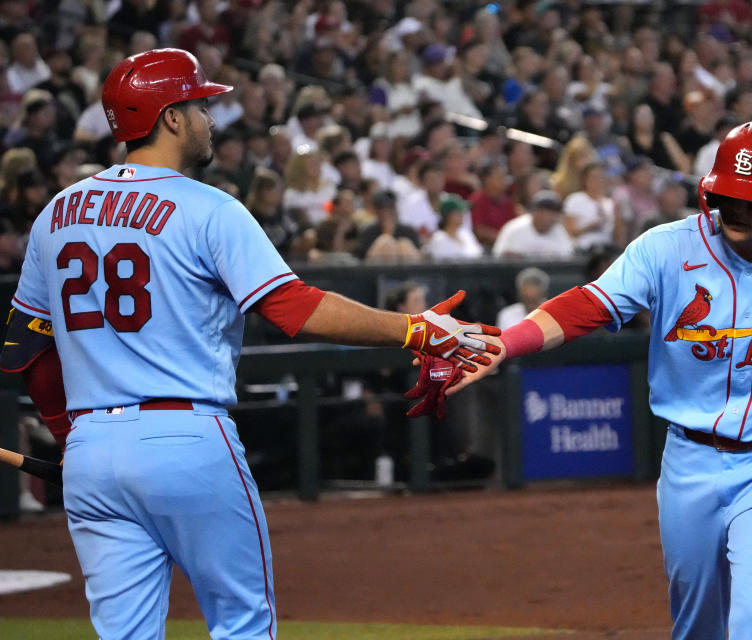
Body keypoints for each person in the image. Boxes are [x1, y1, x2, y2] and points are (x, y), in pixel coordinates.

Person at [0, 49, 500, 639]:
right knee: (242, 625)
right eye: (201, 105)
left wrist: (65, 436)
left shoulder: (56, 214)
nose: (211, 118)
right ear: (171, 119)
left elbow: (25, 353)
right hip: (185, 435)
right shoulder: (209, 208)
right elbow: (291, 308)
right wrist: (414, 329)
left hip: (91, 450)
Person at [442, 121, 752, 638]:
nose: (734, 210)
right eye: (725, 196)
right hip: (688, 461)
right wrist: (505, 343)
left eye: (750, 200)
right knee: (696, 626)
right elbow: (589, 305)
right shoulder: (666, 248)